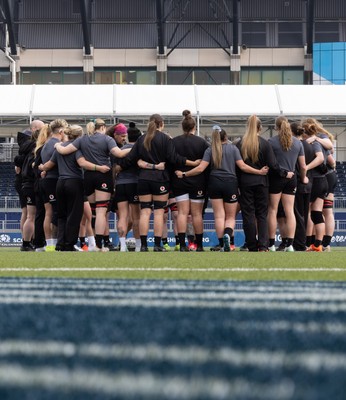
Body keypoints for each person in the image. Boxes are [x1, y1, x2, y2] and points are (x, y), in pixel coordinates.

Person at [176, 125, 269, 252]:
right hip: (231, 183)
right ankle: (227, 234)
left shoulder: (210, 150)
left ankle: (221, 243)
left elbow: (200, 168)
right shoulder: (233, 148)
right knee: (230, 217)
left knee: (219, 216)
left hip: (214, 183)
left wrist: (184, 174)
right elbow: (243, 166)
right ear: (226, 137)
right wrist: (259, 172)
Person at [119, 113, 200, 252]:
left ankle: (143, 246)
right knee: (158, 212)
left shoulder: (141, 139)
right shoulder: (165, 139)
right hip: (160, 179)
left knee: (144, 212)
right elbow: (174, 158)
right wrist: (192, 162)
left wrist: (118, 167)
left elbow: (130, 158)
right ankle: (157, 245)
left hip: (143, 179)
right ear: (161, 124)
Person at [54, 118, 130, 251]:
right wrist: (135, 147)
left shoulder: (82, 139)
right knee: (101, 211)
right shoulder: (107, 139)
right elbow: (119, 153)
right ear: (103, 127)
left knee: (93, 213)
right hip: (103, 175)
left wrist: (57, 145)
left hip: (88, 176)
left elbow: (64, 151)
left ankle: (91, 243)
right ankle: (99, 245)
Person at [40, 125, 110, 251]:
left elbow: (48, 165)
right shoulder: (77, 148)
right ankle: (69, 244)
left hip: (60, 183)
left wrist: (41, 168)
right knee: (74, 215)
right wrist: (99, 168)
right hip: (74, 183)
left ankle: (60, 243)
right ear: (79, 136)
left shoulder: (59, 148)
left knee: (62, 215)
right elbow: (82, 163)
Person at [236, 115, 286, 252]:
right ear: (260, 128)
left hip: (245, 184)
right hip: (262, 183)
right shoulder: (265, 143)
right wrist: (285, 173)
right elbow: (273, 165)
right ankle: (263, 246)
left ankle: (251, 245)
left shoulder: (240, 144)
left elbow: (237, 167)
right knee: (262, 215)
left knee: (248, 215)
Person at [267, 116, 308, 252]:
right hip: (292, 179)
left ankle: (271, 244)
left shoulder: (271, 142)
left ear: (276, 127)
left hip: (276, 179)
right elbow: (303, 166)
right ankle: (290, 245)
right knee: (289, 211)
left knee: (272, 210)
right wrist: (303, 178)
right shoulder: (298, 143)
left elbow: (271, 163)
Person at [171, 110, 210, 252]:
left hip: (179, 180)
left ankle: (182, 245)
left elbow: (172, 160)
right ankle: (199, 245)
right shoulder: (202, 143)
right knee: (197, 214)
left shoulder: (174, 142)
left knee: (182, 213)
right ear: (194, 127)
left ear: (182, 127)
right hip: (197, 182)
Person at [41, 119, 67, 250]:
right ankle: (54, 244)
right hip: (54, 181)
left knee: (49, 213)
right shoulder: (57, 145)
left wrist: (43, 169)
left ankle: (50, 244)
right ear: (61, 131)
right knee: (56, 213)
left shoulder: (45, 144)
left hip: (47, 181)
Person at [303, 121, 329, 252]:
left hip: (316, 181)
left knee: (308, 213)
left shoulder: (314, 143)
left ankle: (309, 243)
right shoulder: (321, 140)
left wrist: (306, 167)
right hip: (322, 180)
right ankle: (317, 245)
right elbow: (329, 158)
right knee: (316, 213)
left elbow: (319, 158)